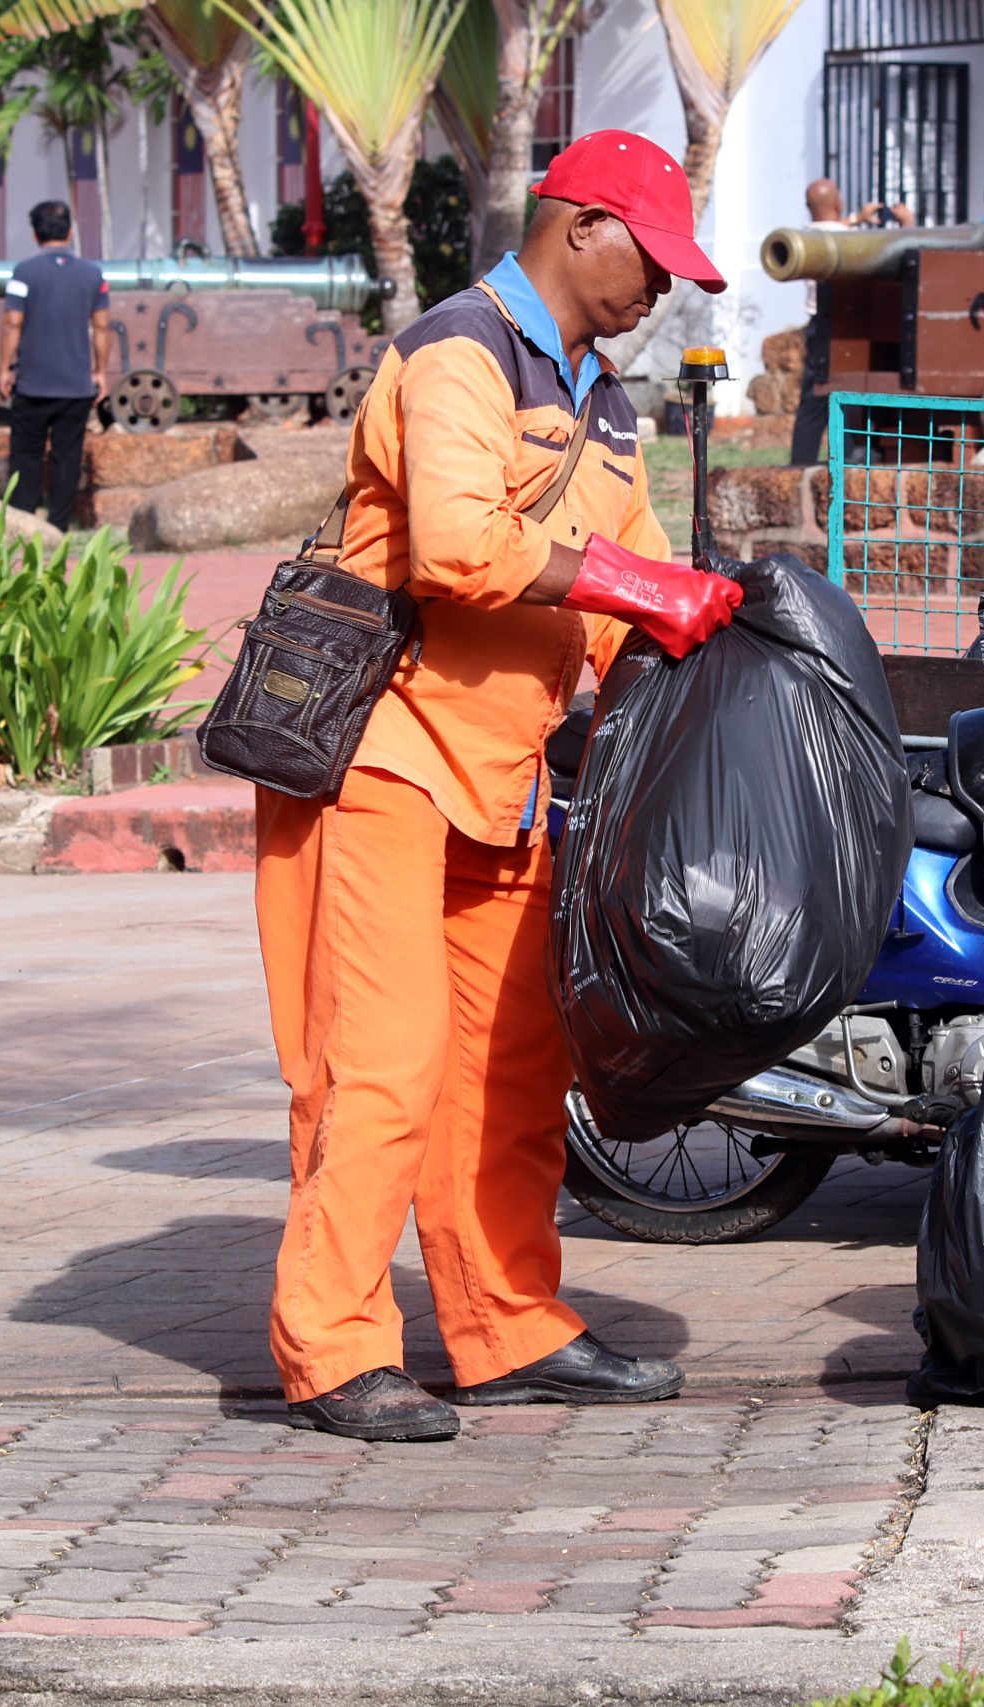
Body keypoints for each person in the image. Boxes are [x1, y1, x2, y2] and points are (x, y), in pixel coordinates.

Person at [257, 130, 742, 1445]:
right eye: (651, 260)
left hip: (507, 779)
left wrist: (734, 622)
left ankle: (505, 1324)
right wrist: (646, 588)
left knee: (514, 1072)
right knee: (383, 1063)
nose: (662, 291)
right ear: (580, 225)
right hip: (382, 758)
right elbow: (460, 547)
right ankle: (335, 1344)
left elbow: (638, 587)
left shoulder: (611, 404)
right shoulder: (455, 352)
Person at [0, 200, 112, 530]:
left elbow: (12, 322)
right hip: (76, 385)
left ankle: (22, 523)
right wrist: (100, 372)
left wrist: (5, 367)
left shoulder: (23, 273)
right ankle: (59, 526)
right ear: (70, 232)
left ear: (35, 235)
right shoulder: (93, 276)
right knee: (68, 457)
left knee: (26, 456)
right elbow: (102, 327)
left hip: (33, 383)